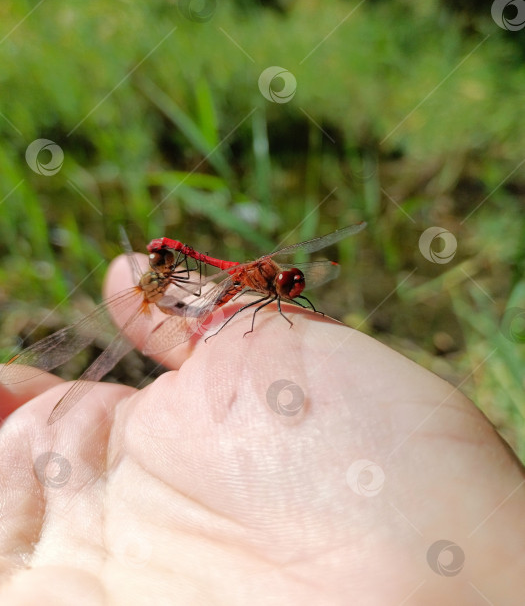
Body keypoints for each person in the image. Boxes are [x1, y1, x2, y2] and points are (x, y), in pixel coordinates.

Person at [0, 253, 524, 605]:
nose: (292, 288)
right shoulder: (245, 289)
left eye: (292, 284)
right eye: (287, 284)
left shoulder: (280, 283)